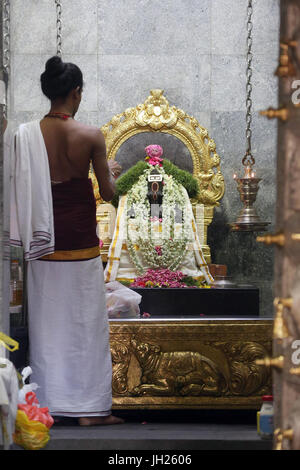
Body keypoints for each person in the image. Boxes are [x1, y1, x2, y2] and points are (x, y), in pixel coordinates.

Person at [11, 56, 123, 426]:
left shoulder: (25, 135)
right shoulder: (90, 135)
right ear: (75, 93)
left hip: (42, 244)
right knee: (86, 327)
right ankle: (90, 411)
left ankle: (50, 405)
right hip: (80, 244)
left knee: (48, 327)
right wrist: (110, 174)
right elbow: (109, 194)